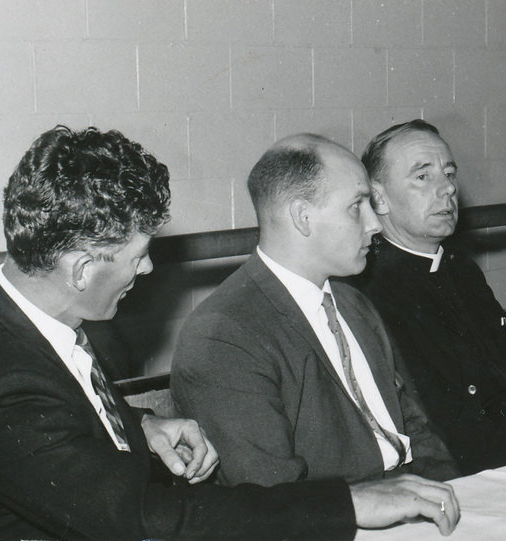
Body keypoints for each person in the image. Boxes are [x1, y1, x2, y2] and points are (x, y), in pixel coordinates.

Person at [0, 125, 459, 540]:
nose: (147, 269)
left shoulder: (12, 307)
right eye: (137, 255)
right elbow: (145, 521)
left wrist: (143, 425)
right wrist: (349, 504)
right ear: (81, 269)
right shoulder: (6, 383)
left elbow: (63, 410)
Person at [171, 133, 460, 488]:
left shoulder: (353, 304)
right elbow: (274, 498)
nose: (374, 224)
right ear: (303, 217)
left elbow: (415, 430)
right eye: (357, 206)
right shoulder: (225, 335)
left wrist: (456, 494)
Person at [350, 119, 506, 475]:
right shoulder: (369, 292)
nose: (446, 189)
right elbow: (440, 419)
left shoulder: (460, 271)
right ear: (378, 198)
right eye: (423, 177)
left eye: (449, 173)